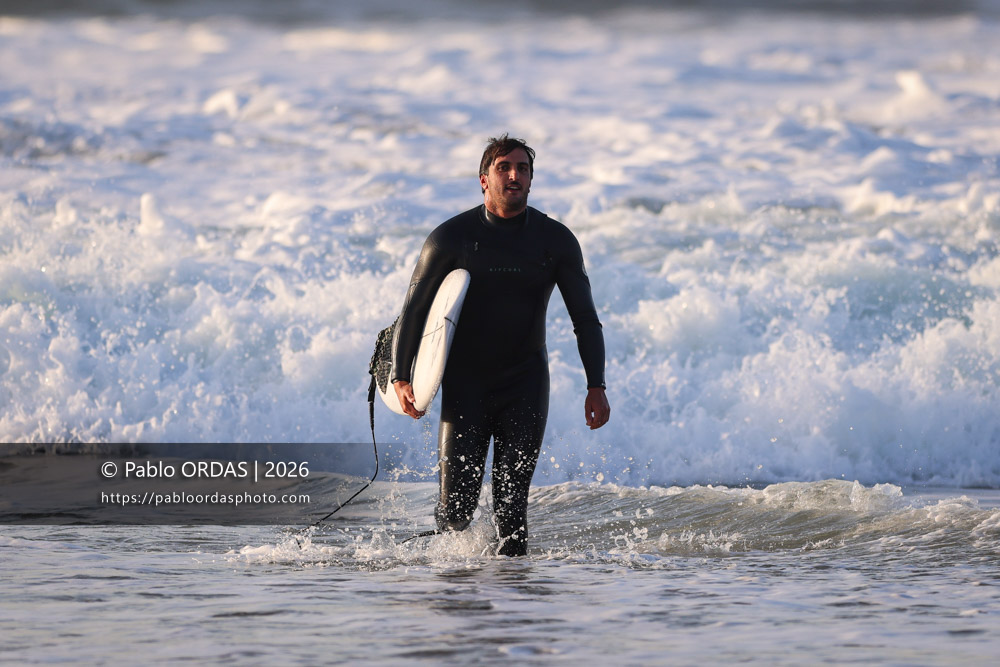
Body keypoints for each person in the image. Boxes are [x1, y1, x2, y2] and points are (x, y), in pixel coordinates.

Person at [391, 134, 610, 556]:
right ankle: (453, 587)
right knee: (454, 513)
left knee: (511, 513)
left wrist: (595, 385)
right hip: (466, 386)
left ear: (531, 179)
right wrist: (402, 376)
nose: (514, 175)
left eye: (522, 168)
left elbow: (584, 318)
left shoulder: (555, 241)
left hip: (525, 384)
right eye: (503, 167)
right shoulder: (450, 238)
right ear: (483, 180)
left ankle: (513, 595)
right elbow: (414, 310)